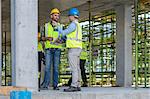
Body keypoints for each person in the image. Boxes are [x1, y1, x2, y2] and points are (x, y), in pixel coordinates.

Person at [58, 8, 82, 92]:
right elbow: (71, 35)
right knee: (77, 67)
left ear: (72, 16)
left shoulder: (73, 24)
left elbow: (64, 32)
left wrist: (59, 28)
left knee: (74, 68)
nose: (69, 17)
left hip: (73, 49)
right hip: (78, 48)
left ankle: (74, 85)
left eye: (69, 16)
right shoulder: (78, 25)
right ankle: (78, 84)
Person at [40, 8, 63, 90]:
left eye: (58, 16)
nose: (57, 17)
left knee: (56, 68)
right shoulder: (45, 26)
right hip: (48, 49)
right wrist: (46, 38)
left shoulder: (61, 26)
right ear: (51, 16)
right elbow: (41, 38)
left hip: (57, 49)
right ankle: (45, 85)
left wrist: (61, 40)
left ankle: (55, 85)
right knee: (47, 68)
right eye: (55, 15)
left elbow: (63, 38)